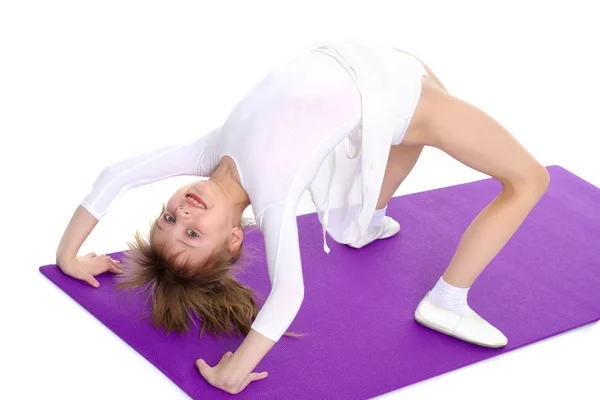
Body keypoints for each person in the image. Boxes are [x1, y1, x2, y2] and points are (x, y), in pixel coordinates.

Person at [55, 39, 549, 394]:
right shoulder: (272, 197)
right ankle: (447, 300)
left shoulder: (209, 152)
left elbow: (116, 174)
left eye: (167, 219)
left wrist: (68, 254)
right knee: (529, 180)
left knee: (419, 95)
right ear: (232, 240)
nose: (181, 213)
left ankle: (369, 220)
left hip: (372, 64)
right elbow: (289, 292)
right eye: (190, 234)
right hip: (394, 97)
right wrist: (235, 370)